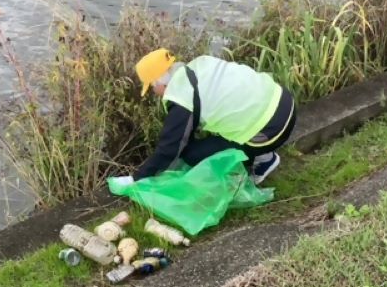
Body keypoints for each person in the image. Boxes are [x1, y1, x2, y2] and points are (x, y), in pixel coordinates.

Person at [115, 48, 296, 186]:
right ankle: (262, 155)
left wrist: (137, 178)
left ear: (159, 82)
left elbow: (170, 148)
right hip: (284, 102)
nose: (155, 93)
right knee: (216, 137)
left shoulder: (181, 97)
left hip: (269, 132)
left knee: (192, 155)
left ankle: (262, 160)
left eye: (152, 88)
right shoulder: (201, 64)